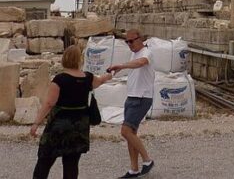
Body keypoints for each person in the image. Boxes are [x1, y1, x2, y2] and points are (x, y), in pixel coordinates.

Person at [29, 45, 113, 179]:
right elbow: (101, 80)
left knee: (45, 160)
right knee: (71, 164)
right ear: (79, 59)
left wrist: (36, 123)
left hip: (59, 127)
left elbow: (49, 103)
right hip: (79, 127)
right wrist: (109, 75)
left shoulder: (59, 80)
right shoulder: (88, 78)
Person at [108, 29, 156, 178]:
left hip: (141, 98)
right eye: (127, 41)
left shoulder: (147, 52)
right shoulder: (133, 54)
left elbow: (141, 63)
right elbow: (134, 65)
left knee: (125, 131)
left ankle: (147, 160)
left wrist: (121, 66)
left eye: (131, 41)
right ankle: (134, 169)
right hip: (132, 97)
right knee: (131, 134)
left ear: (140, 39)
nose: (129, 44)